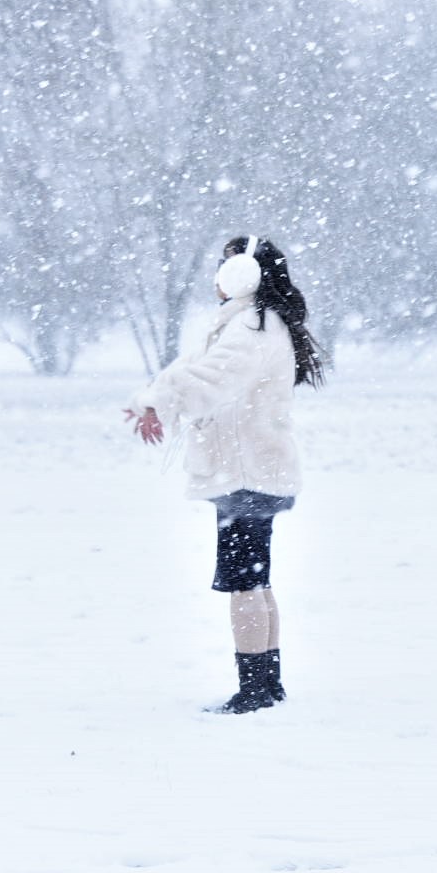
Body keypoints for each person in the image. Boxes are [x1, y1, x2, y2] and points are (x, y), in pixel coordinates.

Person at [125, 235, 325, 714]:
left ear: (240, 274)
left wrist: (162, 401)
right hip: (257, 471)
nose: (217, 276)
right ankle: (268, 686)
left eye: (223, 267)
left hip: (246, 475)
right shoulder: (256, 324)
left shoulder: (252, 328)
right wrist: (155, 397)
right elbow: (195, 368)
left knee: (244, 583)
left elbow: (211, 378)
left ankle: (254, 691)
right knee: (257, 580)